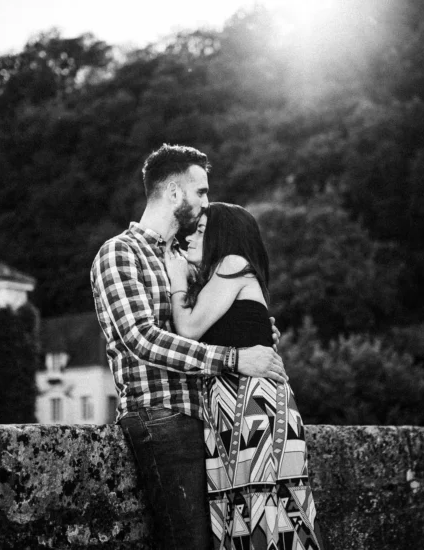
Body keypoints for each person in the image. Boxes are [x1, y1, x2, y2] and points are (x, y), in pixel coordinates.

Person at [90, 144, 287, 550]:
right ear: (175, 194)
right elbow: (141, 338)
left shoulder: (187, 260)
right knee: (189, 542)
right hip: (163, 416)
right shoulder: (119, 253)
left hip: (215, 418)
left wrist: (253, 332)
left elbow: (209, 323)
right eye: (201, 191)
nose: (206, 202)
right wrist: (236, 358)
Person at [165, 202, 324, 550]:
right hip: (233, 404)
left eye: (203, 230)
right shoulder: (221, 278)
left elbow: (188, 328)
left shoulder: (232, 264)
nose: (192, 236)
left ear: (225, 237)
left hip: (250, 406)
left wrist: (177, 283)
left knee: (265, 514)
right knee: (246, 516)